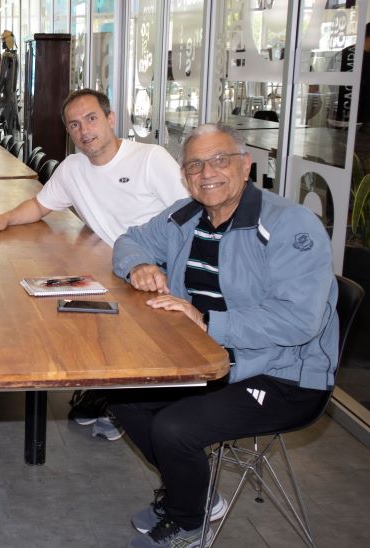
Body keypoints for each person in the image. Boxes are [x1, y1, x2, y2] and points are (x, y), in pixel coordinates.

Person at [110, 124, 338, 548]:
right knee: (126, 398)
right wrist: (139, 264)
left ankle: (188, 523)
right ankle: (192, 492)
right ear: (184, 175)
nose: (206, 173)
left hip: (285, 375)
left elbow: (297, 321)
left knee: (175, 428)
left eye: (220, 160)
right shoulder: (186, 215)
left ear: (246, 166)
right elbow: (130, 239)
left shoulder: (290, 226)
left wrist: (206, 321)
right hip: (209, 357)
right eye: (194, 164)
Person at [0, 88, 189, 440]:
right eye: (75, 125)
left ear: (111, 119)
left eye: (91, 119)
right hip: (114, 269)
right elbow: (40, 206)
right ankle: (108, 393)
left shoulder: (150, 158)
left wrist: (163, 267)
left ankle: (120, 399)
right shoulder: (73, 168)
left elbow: (190, 217)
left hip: (156, 272)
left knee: (89, 323)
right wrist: (5, 218)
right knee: (51, 315)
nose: (85, 131)